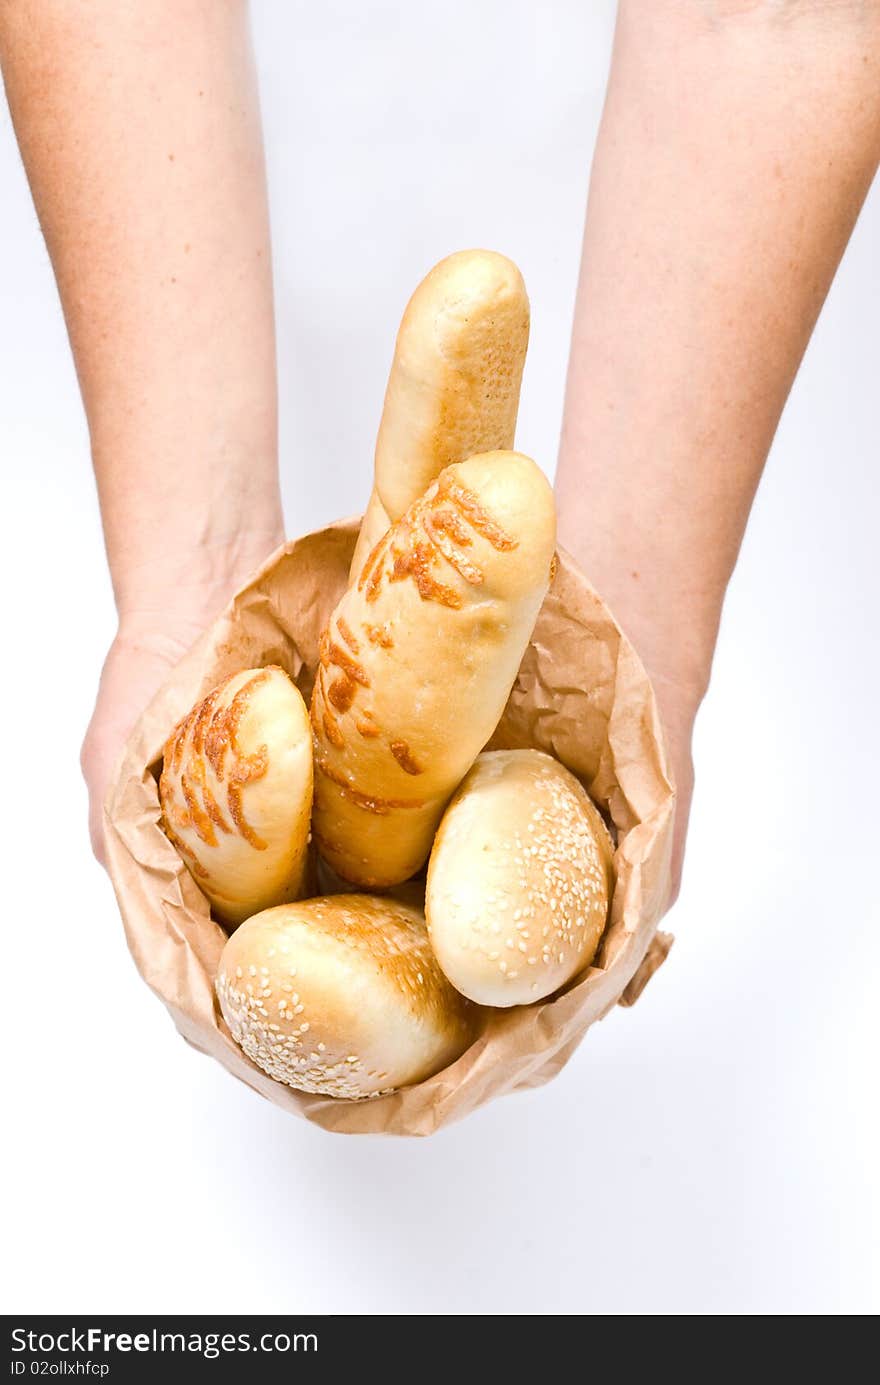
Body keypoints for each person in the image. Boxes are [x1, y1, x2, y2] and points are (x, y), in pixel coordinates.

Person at [2, 0, 878, 903]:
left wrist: (638, 638)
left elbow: (772, 18)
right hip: (157, 243)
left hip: (686, 304)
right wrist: (186, 579)